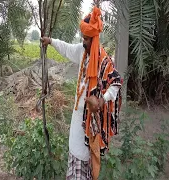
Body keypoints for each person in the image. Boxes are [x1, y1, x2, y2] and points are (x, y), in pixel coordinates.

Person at [41, 6, 122, 180]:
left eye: (86, 39)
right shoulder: (82, 52)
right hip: (78, 116)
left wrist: (101, 101)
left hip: (91, 122)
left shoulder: (104, 59)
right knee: (75, 153)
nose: (83, 42)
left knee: (86, 157)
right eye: (83, 38)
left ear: (95, 38)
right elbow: (67, 48)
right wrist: (51, 41)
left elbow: (115, 82)